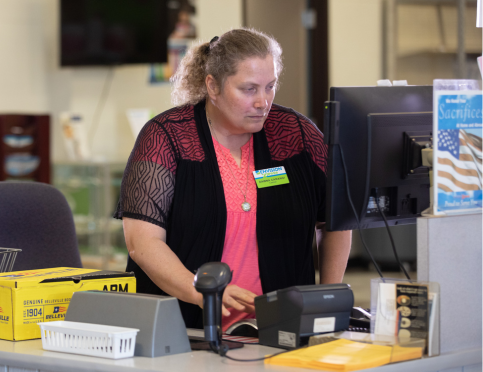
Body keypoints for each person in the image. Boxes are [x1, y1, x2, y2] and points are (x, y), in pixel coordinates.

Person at [114, 28, 352, 331]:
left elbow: (335, 221)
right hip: (185, 328)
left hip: (281, 329)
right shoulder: (168, 137)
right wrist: (203, 292)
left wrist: (326, 297)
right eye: (249, 89)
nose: (263, 102)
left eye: (270, 86)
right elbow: (143, 243)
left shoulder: (296, 135)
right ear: (212, 86)